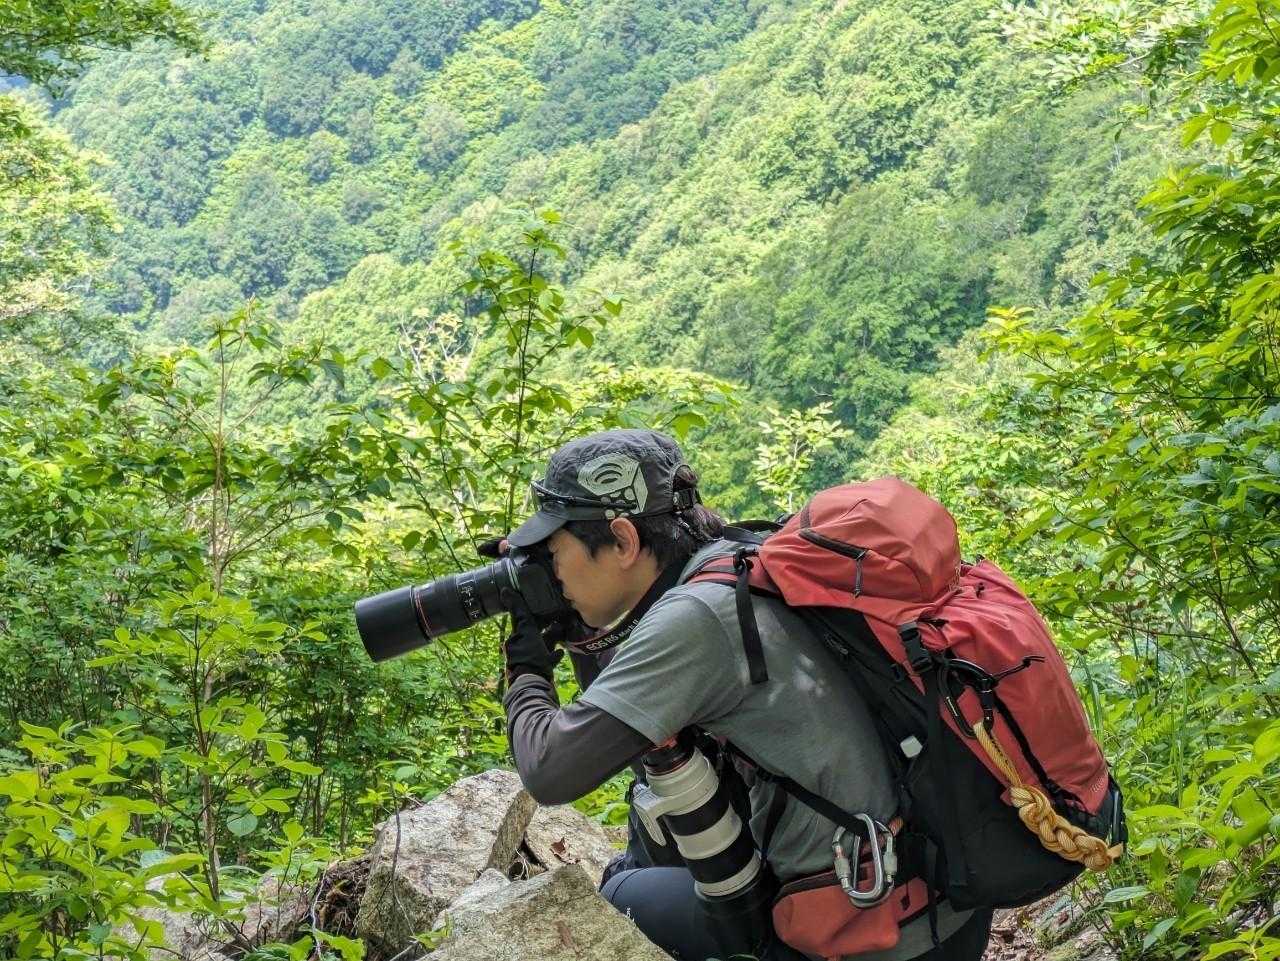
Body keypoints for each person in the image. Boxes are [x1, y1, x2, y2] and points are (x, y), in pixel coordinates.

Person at [500, 428, 994, 961]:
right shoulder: (744, 560)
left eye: (554, 552)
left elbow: (551, 771)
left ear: (623, 541)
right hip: (944, 901)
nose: (552, 573)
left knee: (622, 887)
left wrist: (525, 664)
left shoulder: (695, 620)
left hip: (871, 932)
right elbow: (630, 725)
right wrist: (579, 630)